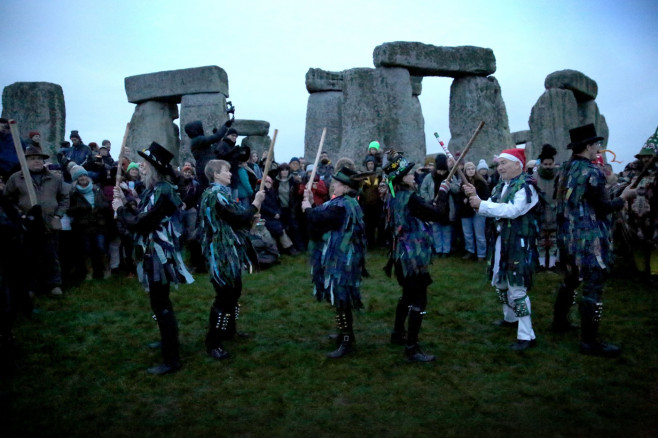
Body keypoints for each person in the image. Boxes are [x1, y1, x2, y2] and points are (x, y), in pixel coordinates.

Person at [550, 124, 637, 357]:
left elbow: (578, 200)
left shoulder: (564, 170)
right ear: (588, 146)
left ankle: (560, 322)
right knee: (593, 288)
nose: (598, 148)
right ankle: (590, 340)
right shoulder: (593, 172)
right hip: (589, 240)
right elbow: (603, 207)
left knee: (569, 280)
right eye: (596, 144)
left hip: (567, 237)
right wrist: (625, 197)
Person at [112, 142, 194, 375]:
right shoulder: (154, 189)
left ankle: (172, 359)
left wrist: (119, 209)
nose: (142, 168)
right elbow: (142, 213)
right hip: (153, 252)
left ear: (155, 168)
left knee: (162, 304)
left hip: (160, 256)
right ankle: (166, 339)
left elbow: (142, 222)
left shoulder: (164, 191)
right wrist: (127, 201)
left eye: (146, 164)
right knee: (159, 303)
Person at [464, 147, 539, 351]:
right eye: (499, 164)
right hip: (501, 241)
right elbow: (492, 207)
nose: (499, 167)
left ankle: (527, 334)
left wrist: (482, 204)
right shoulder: (501, 186)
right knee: (501, 281)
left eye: (504, 163)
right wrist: (477, 201)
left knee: (517, 286)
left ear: (518, 164)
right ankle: (510, 318)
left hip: (518, 243)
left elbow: (512, 210)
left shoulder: (526, 187)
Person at [383, 151, 450, 362]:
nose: (413, 176)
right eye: (410, 174)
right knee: (418, 300)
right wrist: (444, 192)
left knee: (407, 295)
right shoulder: (409, 198)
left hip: (399, 254)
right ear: (402, 178)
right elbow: (436, 213)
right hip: (412, 255)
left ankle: (397, 334)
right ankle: (412, 347)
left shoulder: (392, 196)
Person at [199, 159, 265, 360]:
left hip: (229, 250)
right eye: (226, 171)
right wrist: (255, 204)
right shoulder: (215, 195)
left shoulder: (221, 194)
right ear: (216, 174)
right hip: (221, 252)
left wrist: (250, 215)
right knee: (225, 296)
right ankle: (214, 342)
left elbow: (235, 219)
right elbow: (236, 217)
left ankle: (229, 330)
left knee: (234, 293)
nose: (230, 174)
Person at [301, 167, 368, 358]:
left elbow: (320, 218)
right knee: (339, 299)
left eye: (337, 183)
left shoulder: (343, 205)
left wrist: (307, 207)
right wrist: (311, 202)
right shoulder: (340, 202)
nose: (333, 185)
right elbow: (321, 216)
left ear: (346, 188)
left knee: (341, 298)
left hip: (343, 260)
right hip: (340, 257)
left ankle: (346, 340)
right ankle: (344, 334)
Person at [4, 145, 69, 296]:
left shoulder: (54, 178)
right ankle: (30, 287)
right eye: (33, 159)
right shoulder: (16, 179)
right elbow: (7, 200)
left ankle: (54, 284)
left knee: (51, 255)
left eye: (39, 158)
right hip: (27, 225)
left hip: (49, 223)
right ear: (25, 161)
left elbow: (64, 197)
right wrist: (19, 214)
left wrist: (58, 215)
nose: (37, 161)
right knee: (29, 257)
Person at [67, 165, 111, 280]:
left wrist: (98, 208)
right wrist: (83, 208)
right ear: (76, 179)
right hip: (83, 225)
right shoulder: (73, 193)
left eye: (84, 175)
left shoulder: (97, 189)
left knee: (101, 248)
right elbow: (69, 209)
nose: (82, 178)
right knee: (86, 250)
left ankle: (106, 270)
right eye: (79, 176)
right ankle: (89, 272)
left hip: (99, 224)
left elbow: (106, 204)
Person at [419, 154, 453, 257]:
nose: (441, 172)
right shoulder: (430, 177)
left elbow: (457, 188)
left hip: (447, 207)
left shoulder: (450, 176)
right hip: (434, 206)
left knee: (446, 230)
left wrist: (449, 185)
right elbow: (423, 190)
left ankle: (446, 250)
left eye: (443, 170)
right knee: (436, 229)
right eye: (440, 170)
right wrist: (429, 199)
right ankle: (438, 249)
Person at [458, 161, 490, 261]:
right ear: (465, 171)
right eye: (468, 169)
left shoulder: (481, 182)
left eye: (472, 169)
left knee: (479, 234)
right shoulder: (463, 183)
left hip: (478, 210)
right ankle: (470, 251)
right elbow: (459, 196)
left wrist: (476, 198)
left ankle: (481, 254)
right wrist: (464, 199)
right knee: (468, 234)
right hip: (466, 211)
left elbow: (486, 196)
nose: (471, 171)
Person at [535, 144, 559, 270]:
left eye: (550, 164)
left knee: (554, 240)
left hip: (555, 212)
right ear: (541, 164)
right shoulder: (535, 177)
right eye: (546, 164)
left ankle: (552, 264)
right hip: (541, 212)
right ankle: (542, 263)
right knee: (541, 240)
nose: (548, 167)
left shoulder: (559, 176)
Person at [186, 120, 227, 190]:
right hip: (204, 169)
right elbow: (215, 137)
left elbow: (213, 148)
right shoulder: (197, 140)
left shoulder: (198, 141)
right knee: (208, 189)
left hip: (204, 167)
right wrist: (225, 126)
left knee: (208, 189)